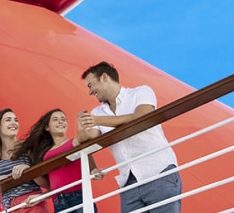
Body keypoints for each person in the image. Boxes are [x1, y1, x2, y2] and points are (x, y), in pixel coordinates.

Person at [78, 61, 182, 213]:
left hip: (158, 171)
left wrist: (98, 121)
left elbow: (142, 116)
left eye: (90, 85)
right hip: (129, 182)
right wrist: (80, 127)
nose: (90, 91)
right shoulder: (97, 112)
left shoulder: (141, 92)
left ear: (105, 77)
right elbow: (88, 141)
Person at [0, 108, 51, 211]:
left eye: (16, 120)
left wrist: (28, 170)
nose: (13, 123)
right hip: (9, 208)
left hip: (31, 204)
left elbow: (49, 184)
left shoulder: (27, 147)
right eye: (8, 120)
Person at [22, 109, 101, 212]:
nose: (60, 122)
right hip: (58, 203)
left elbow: (84, 138)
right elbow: (54, 187)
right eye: (55, 119)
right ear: (47, 127)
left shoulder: (74, 142)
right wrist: (40, 197)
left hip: (78, 197)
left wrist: (80, 127)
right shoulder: (44, 154)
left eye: (63, 119)